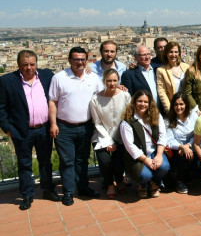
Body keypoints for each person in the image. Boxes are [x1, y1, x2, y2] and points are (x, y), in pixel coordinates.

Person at [0, 50, 59, 210]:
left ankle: (48, 189)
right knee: (24, 164)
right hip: (21, 131)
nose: (29, 68)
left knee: (46, 162)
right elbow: (1, 108)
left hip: (44, 129)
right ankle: (27, 195)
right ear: (18, 64)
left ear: (36, 64)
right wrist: (8, 129)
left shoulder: (47, 76)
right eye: (25, 65)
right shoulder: (7, 81)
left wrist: (87, 68)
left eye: (32, 64)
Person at [48, 47, 102, 206]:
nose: (79, 62)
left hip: (86, 127)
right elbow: (52, 101)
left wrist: (119, 87)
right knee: (67, 161)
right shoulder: (59, 77)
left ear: (87, 60)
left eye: (82, 59)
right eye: (76, 59)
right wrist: (53, 123)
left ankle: (83, 188)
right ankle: (68, 192)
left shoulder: (93, 78)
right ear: (69, 60)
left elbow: (103, 95)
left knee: (82, 160)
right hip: (64, 127)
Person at [89, 69, 131, 199]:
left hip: (121, 135)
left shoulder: (125, 96)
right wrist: (108, 141)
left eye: (114, 80)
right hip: (102, 136)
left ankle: (119, 181)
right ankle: (110, 185)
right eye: (109, 81)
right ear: (103, 81)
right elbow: (97, 123)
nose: (112, 83)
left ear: (118, 81)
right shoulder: (95, 99)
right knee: (105, 161)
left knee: (119, 163)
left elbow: (129, 117)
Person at [120, 90, 169, 198]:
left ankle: (154, 183)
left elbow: (162, 136)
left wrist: (159, 155)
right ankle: (142, 185)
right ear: (134, 102)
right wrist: (146, 160)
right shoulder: (127, 121)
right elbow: (129, 145)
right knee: (145, 175)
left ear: (150, 103)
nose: (143, 104)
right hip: (138, 156)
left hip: (154, 152)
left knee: (164, 167)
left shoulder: (156, 115)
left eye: (146, 102)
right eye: (140, 101)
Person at [165, 92, 199, 194]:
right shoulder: (168, 119)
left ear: (186, 105)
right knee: (183, 157)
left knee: (196, 170)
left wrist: (188, 145)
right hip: (176, 150)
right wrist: (181, 147)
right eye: (176, 104)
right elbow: (169, 140)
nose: (178, 107)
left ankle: (189, 176)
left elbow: (197, 135)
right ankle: (179, 181)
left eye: (181, 104)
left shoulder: (193, 116)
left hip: (192, 146)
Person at [121, 46, 163, 114]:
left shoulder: (158, 70)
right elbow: (129, 98)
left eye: (148, 54)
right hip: (142, 115)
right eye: (143, 55)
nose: (147, 57)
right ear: (136, 57)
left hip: (160, 113)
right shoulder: (129, 75)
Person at [157, 41, 190, 114]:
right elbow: (162, 92)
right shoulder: (161, 70)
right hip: (173, 109)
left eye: (176, 52)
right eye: (171, 52)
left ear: (179, 53)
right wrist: (169, 110)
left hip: (187, 107)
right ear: (166, 53)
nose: (173, 55)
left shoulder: (186, 67)